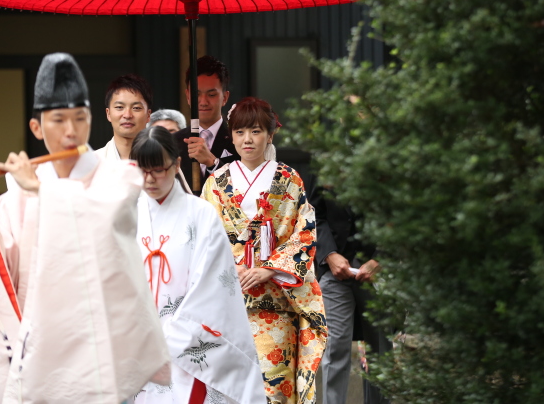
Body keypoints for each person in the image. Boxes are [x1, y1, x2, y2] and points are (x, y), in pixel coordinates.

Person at [0, 53, 170, 404]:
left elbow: (102, 224)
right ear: (37, 128)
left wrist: (37, 189)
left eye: (79, 118)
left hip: (99, 343)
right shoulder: (23, 190)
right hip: (44, 341)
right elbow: (5, 265)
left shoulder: (119, 176)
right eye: (59, 119)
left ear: (91, 120)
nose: (70, 130)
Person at [201, 97, 326, 404]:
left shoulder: (288, 179)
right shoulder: (216, 183)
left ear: (270, 135)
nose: (247, 139)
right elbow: (203, 238)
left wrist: (269, 267)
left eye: (256, 131)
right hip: (229, 305)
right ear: (231, 135)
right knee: (229, 389)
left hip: (275, 304)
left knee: (275, 389)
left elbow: (304, 232)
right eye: (240, 131)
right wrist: (233, 266)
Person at [131, 126, 265, 404]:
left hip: (184, 343)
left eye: (159, 170)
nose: (150, 179)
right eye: (142, 170)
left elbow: (212, 287)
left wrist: (170, 336)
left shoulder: (201, 214)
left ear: (177, 164)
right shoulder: (127, 213)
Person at [311, 180, 391, 404]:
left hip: (379, 272)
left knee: (379, 347)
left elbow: (402, 217)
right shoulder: (327, 159)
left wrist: (381, 259)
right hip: (336, 271)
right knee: (334, 347)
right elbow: (315, 214)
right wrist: (329, 254)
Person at [175, 56, 240, 189]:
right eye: (196, 94)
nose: (203, 102)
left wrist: (213, 163)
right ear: (188, 96)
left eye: (211, 95)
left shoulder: (240, 140)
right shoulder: (173, 141)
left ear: (225, 97)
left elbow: (245, 188)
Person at [100, 73, 153, 160]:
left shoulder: (164, 162)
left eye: (136, 108)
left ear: (148, 115)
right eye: (119, 107)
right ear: (108, 113)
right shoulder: (92, 164)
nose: (127, 115)